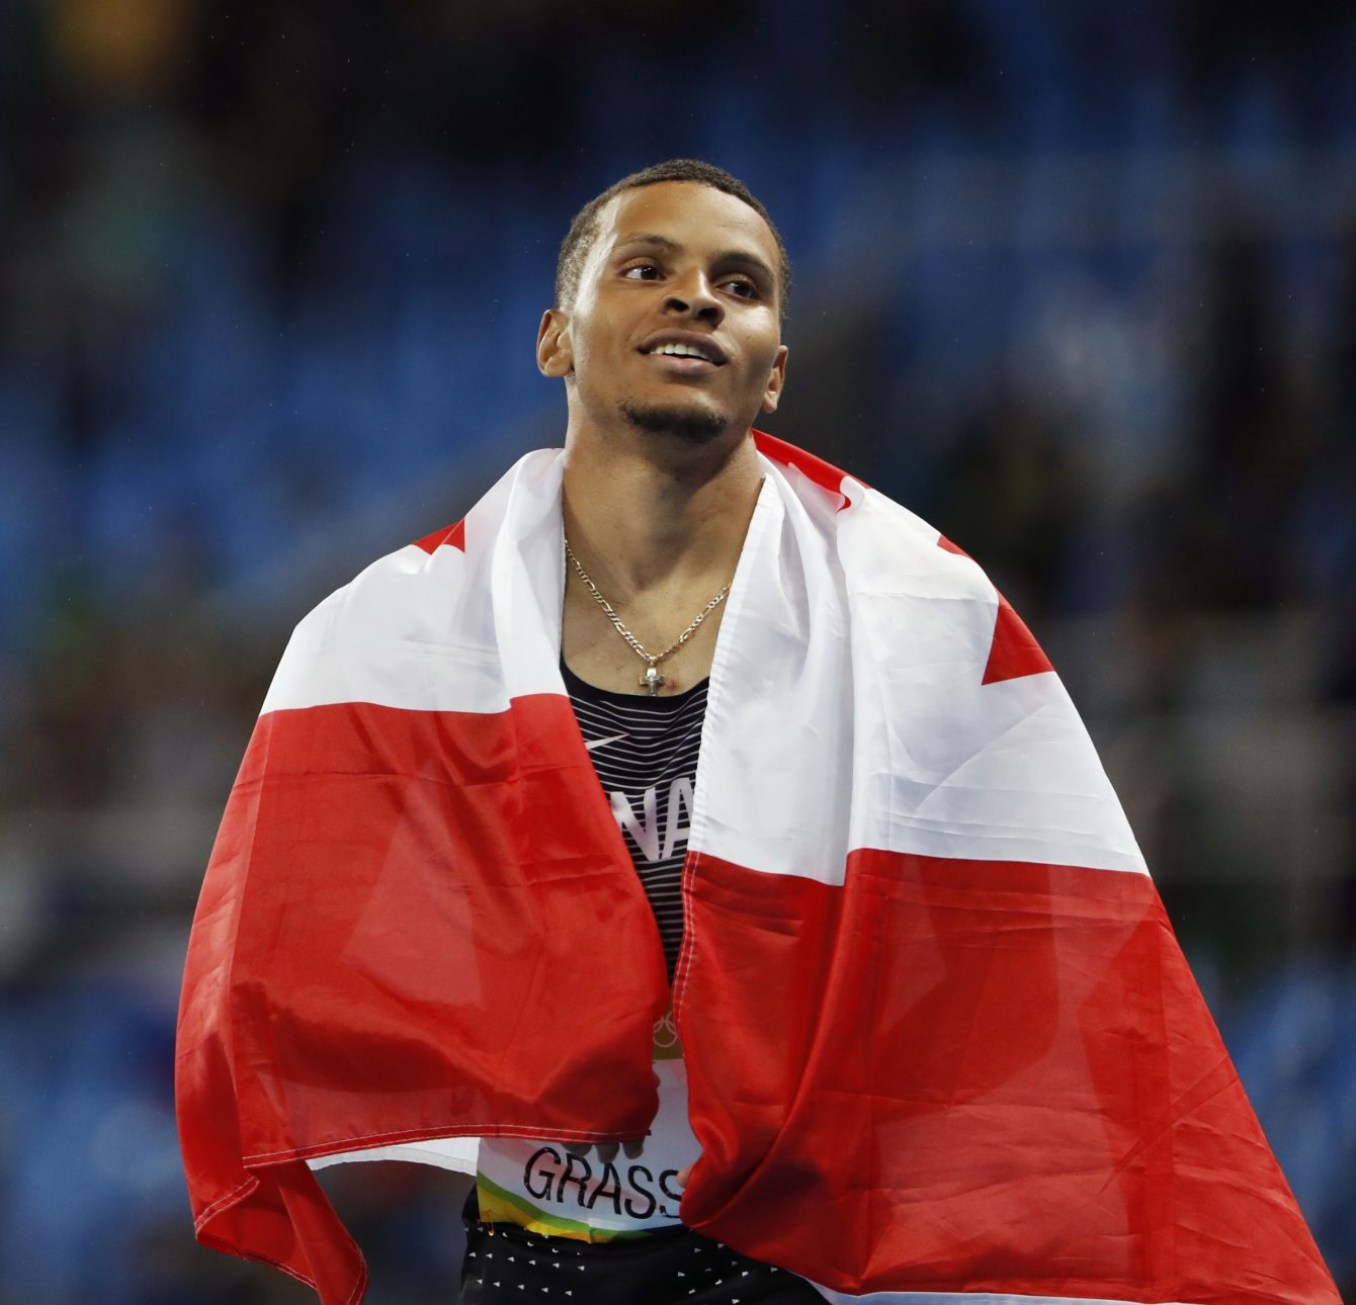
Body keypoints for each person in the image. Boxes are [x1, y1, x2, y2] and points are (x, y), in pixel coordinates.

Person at [176, 161, 1339, 1305]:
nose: (696, 297)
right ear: (555, 338)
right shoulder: (397, 639)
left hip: (803, 1258)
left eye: (738, 285)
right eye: (647, 269)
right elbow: (312, 973)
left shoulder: (917, 612)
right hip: (539, 1258)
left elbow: (1031, 958)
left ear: (776, 369)